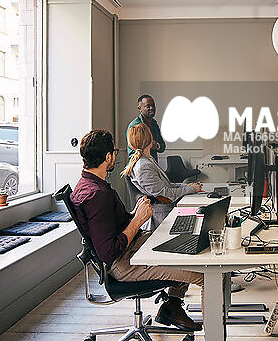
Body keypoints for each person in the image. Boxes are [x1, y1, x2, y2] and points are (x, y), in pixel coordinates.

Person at [70, 130, 204, 332]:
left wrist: (134, 214)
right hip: (124, 263)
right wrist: (138, 220)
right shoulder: (97, 195)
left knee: (186, 245)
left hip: (132, 248)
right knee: (204, 273)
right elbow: (108, 252)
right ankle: (210, 330)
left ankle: (172, 307)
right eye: (114, 152)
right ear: (108, 156)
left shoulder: (87, 185)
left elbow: (111, 226)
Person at [122, 123, 202, 230]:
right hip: (160, 218)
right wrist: (190, 189)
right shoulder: (143, 166)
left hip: (164, 212)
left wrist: (185, 186)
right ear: (149, 139)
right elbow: (164, 195)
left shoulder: (148, 160)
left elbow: (166, 185)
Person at [127, 94, 166, 162]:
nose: (152, 108)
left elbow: (162, 147)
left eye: (153, 106)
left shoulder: (154, 124)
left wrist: (157, 146)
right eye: (148, 106)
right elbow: (133, 151)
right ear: (139, 108)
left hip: (152, 164)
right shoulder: (135, 125)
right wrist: (148, 146)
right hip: (139, 164)